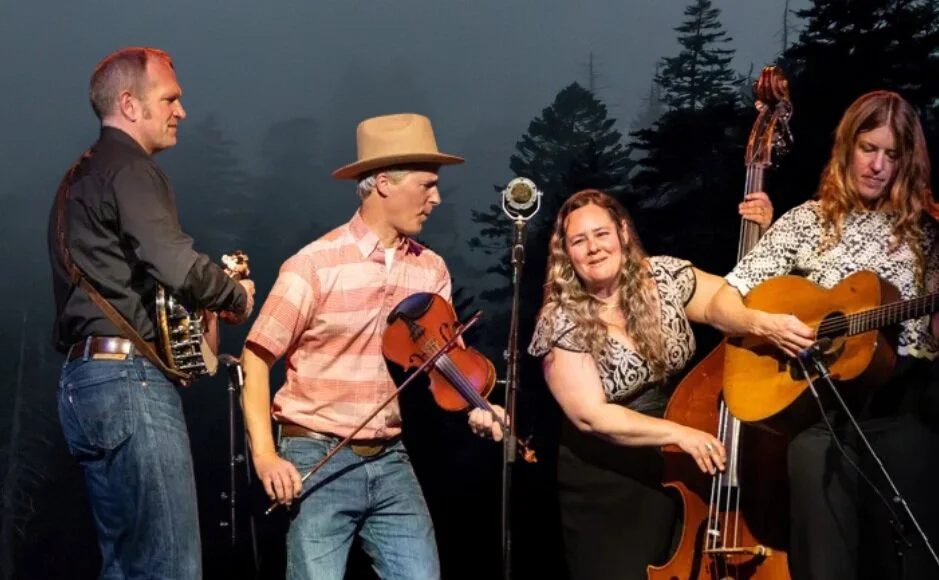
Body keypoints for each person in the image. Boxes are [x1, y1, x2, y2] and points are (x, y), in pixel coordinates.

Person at [240, 113, 500, 580]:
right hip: (313, 457)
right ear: (383, 183)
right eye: (426, 185)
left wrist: (479, 406)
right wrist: (265, 455)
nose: (436, 198)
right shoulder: (315, 265)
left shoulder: (431, 270)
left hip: (390, 458)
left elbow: (446, 365)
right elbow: (256, 358)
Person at [469, 187, 775, 579]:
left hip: (682, 459)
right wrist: (679, 434)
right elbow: (591, 417)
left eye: (601, 234)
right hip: (608, 475)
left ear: (623, 234)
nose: (593, 247)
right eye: (579, 241)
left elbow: (734, 307)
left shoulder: (665, 276)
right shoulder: (560, 318)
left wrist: (761, 241)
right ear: (567, 254)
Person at [706, 90, 939, 580]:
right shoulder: (805, 222)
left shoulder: (926, 233)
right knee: (822, 552)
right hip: (820, 414)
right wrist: (765, 324)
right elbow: (723, 301)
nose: (877, 165)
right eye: (867, 148)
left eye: (891, 155)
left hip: (902, 406)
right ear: (846, 148)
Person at [48, 47, 255, 579]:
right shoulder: (132, 170)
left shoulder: (77, 179)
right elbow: (173, 262)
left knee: (125, 565)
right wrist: (233, 297)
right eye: (170, 99)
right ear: (129, 104)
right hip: (129, 384)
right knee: (169, 568)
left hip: (83, 383)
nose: (180, 111)